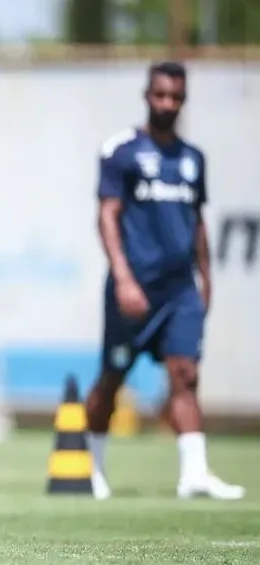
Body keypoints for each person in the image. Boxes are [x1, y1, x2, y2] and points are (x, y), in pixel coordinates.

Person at [86, 61, 244, 501]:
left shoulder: (193, 159)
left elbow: (196, 222)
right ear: (147, 95)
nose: (167, 103)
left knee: (186, 374)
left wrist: (206, 279)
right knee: (112, 377)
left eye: (175, 97)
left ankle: (194, 474)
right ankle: (93, 470)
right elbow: (107, 216)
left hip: (180, 291)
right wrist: (124, 279)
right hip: (134, 288)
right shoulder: (121, 151)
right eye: (160, 95)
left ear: (183, 100)